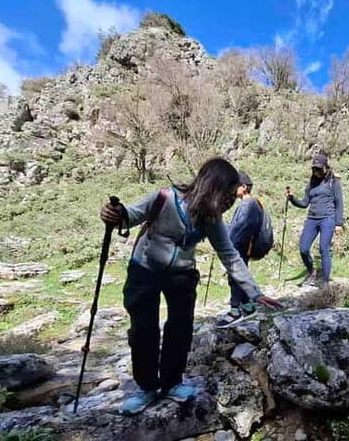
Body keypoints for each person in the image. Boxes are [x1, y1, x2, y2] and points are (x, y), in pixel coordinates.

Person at [100, 157, 282, 415]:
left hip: (182, 274)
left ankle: (172, 383)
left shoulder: (211, 218)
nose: (231, 202)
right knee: (143, 330)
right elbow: (129, 217)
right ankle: (147, 388)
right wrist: (114, 214)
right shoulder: (164, 198)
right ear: (214, 188)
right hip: (144, 270)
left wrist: (255, 293)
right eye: (228, 195)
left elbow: (229, 254)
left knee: (181, 328)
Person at [286, 154, 344, 286]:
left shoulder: (333, 182)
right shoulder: (311, 183)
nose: (317, 171)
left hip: (328, 218)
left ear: (326, 168)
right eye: (315, 169)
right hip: (312, 219)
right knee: (303, 248)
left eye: (319, 168)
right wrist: (292, 198)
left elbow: (339, 203)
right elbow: (304, 203)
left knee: (324, 248)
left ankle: (325, 280)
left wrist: (339, 223)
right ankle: (311, 272)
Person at [216, 171, 262, 329]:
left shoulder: (248, 205)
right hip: (242, 246)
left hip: (238, 246)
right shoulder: (249, 204)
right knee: (240, 275)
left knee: (235, 277)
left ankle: (235, 310)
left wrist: (226, 243)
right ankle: (248, 306)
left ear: (243, 187)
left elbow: (240, 228)